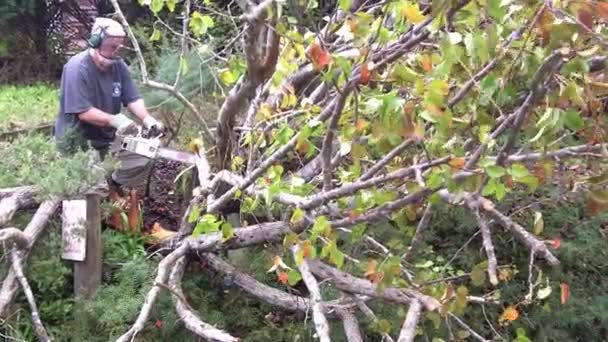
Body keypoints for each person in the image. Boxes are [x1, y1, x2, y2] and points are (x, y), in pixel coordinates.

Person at [53, 17, 165, 192]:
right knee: (92, 191)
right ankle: (98, 194)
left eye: (119, 47)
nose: (116, 51)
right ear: (96, 42)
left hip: (108, 140)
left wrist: (148, 119)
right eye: (112, 46)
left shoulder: (119, 66)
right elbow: (84, 112)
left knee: (145, 154)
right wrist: (116, 120)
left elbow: (133, 98)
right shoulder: (77, 68)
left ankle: (114, 185)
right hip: (79, 144)